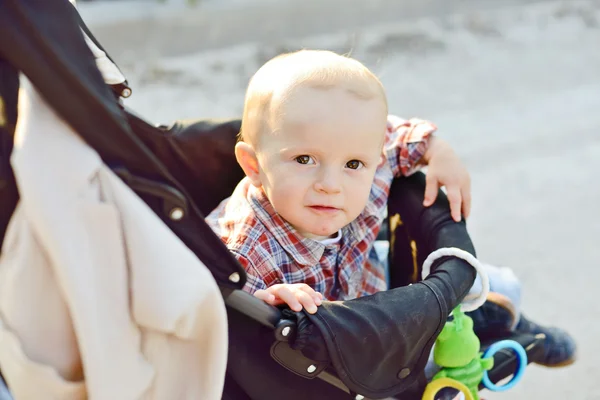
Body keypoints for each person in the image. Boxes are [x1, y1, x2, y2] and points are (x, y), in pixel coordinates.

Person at [206, 49, 575, 367]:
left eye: (353, 164)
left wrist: (437, 151)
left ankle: (506, 323)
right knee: (426, 361)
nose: (330, 184)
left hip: (366, 278)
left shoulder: (365, 158)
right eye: (304, 159)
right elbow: (219, 311)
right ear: (254, 166)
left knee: (502, 283)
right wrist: (265, 302)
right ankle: (493, 345)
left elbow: (392, 134)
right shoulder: (245, 249)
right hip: (334, 347)